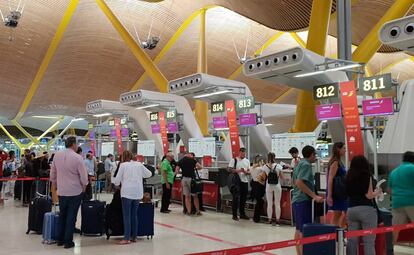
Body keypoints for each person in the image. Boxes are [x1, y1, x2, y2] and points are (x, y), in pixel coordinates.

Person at [50, 136, 88, 249]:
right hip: (75, 191)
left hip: (62, 191)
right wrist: (84, 185)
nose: (77, 146)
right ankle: (68, 241)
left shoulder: (57, 155)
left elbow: (53, 174)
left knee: (62, 215)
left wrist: (54, 183)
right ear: (73, 144)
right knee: (71, 216)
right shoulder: (77, 157)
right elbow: (84, 176)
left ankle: (60, 239)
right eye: (76, 144)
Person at [113, 150, 152, 245]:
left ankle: (126, 238)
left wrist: (115, 181)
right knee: (134, 215)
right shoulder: (139, 164)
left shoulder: (123, 165)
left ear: (123, 157)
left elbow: (117, 181)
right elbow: (149, 174)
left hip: (127, 193)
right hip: (138, 192)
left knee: (127, 216)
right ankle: (134, 237)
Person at [346, 155, 382, 255]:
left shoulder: (348, 175)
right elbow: (369, 195)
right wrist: (378, 192)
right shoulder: (366, 175)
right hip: (366, 210)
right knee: (368, 241)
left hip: (351, 209)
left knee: (352, 240)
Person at [292, 145, 324, 255]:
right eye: (315, 154)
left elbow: (294, 182)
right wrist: (314, 196)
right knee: (304, 231)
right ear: (311, 155)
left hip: (297, 200)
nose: (315, 156)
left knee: (299, 230)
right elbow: (299, 182)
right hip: (303, 200)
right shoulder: (306, 165)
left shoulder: (299, 164)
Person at [388, 151, 414, 243]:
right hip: (412, 202)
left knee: (395, 230)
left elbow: (389, 190)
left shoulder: (394, 172)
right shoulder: (413, 168)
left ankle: (390, 250)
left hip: (397, 203)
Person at [326, 142, 348, 227]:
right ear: (338, 149)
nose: (345, 150)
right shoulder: (335, 162)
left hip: (340, 192)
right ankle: (335, 233)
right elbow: (330, 178)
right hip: (337, 192)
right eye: (344, 148)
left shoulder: (338, 161)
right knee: (337, 213)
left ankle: (339, 232)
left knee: (341, 213)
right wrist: (329, 195)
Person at [176, 152, 203, 216]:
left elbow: (177, 170)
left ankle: (189, 212)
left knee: (187, 197)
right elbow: (200, 167)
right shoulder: (192, 160)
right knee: (195, 196)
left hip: (184, 179)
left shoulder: (180, 161)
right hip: (192, 180)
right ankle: (198, 211)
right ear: (188, 155)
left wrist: (183, 171)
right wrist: (193, 168)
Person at [228, 148, 251, 221]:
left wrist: (245, 172)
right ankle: (234, 215)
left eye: (244, 153)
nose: (243, 155)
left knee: (243, 199)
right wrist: (239, 170)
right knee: (236, 198)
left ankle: (242, 214)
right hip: (236, 182)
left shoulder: (247, 161)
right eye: (242, 153)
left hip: (245, 181)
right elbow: (230, 169)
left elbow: (249, 171)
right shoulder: (234, 160)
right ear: (239, 152)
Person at [263, 152, 284, 226]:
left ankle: (269, 220)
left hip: (268, 186)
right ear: (275, 157)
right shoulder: (278, 166)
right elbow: (282, 177)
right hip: (277, 186)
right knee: (277, 203)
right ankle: (277, 220)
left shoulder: (265, 166)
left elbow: (264, 177)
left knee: (269, 203)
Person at [250, 155, 265, 223]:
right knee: (260, 201)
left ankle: (256, 217)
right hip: (259, 185)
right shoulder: (260, 169)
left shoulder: (251, 168)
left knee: (259, 201)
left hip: (254, 185)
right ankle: (256, 218)